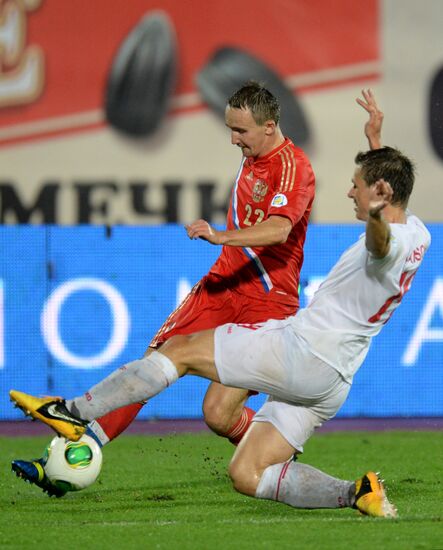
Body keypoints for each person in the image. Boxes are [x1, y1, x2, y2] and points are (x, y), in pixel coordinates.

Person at [11, 117, 431, 517]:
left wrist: (374, 213)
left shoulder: (386, 240)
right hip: (332, 383)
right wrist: (377, 146)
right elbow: (389, 210)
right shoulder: (418, 233)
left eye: (357, 187)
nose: (349, 193)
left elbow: (379, 244)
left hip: (303, 352)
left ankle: (71, 411)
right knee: (246, 474)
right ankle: (357, 493)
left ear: (381, 195)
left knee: (179, 351)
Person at [11, 81, 316, 496]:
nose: (233, 139)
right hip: (222, 287)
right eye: (230, 129)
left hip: (268, 305)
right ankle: (70, 449)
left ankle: (275, 456)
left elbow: (280, 230)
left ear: (269, 126)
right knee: (152, 365)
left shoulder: (296, 167)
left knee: (217, 414)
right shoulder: (253, 153)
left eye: (241, 131)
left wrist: (222, 236)